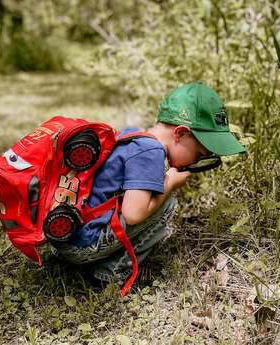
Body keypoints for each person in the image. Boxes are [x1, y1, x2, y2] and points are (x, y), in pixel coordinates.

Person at [50, 81, 247, 282]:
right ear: (180, 133)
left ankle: (80, 260)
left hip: (65, 239)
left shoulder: (132, 135)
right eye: (198, 154)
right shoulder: (151, 152)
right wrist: (169, 184)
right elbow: (133, 215)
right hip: (83, 246)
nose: (195, 162)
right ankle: (113, 273)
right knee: (167, 202)